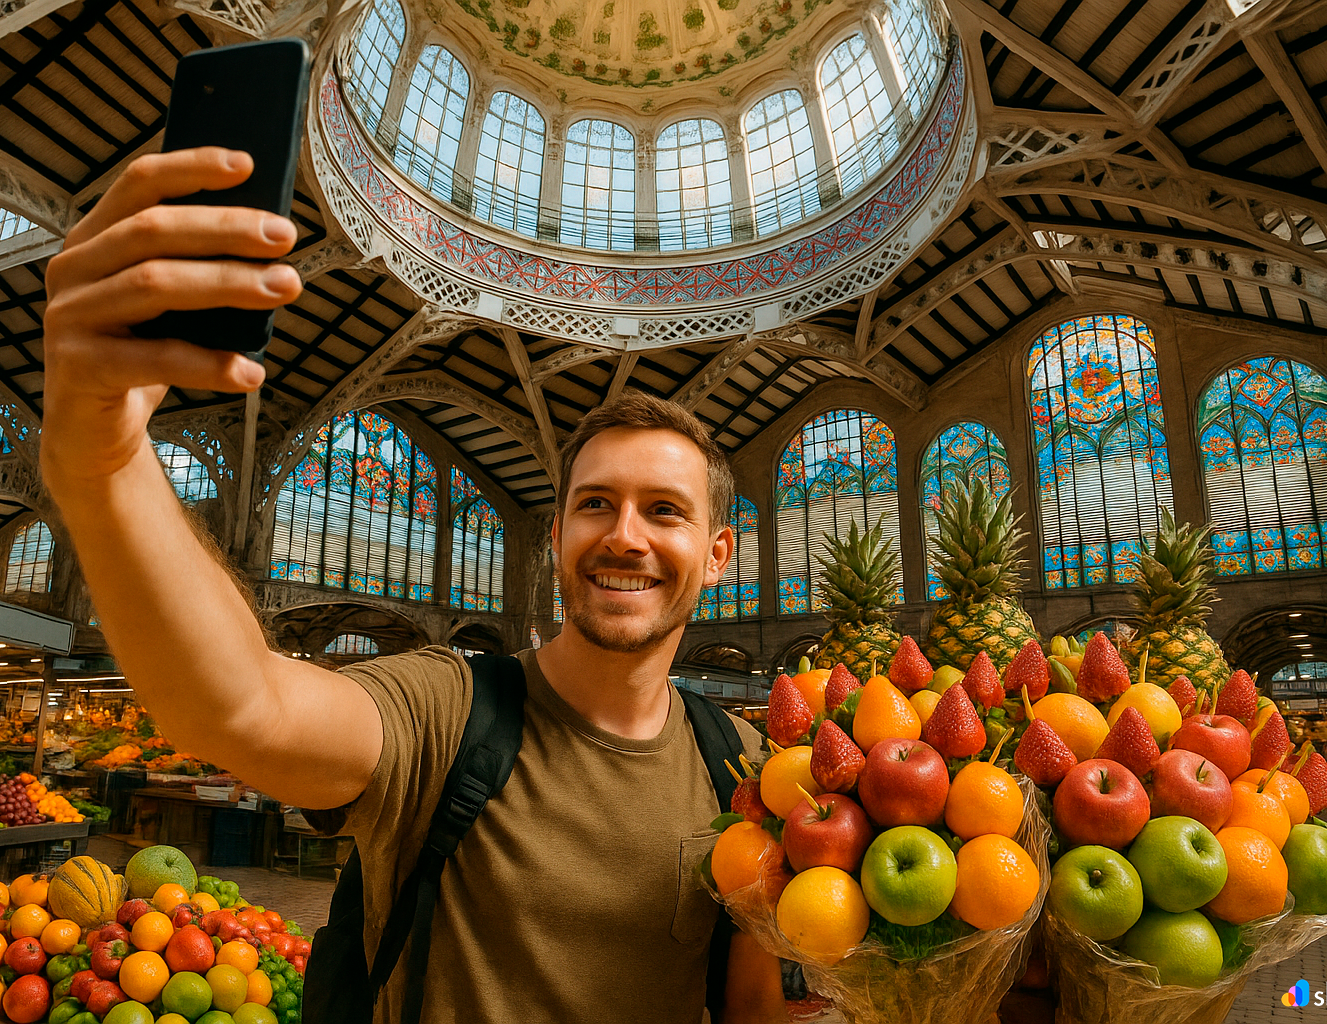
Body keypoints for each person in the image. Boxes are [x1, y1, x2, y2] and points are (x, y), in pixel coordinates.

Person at [41, 147, 788, 1023]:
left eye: (665, 510)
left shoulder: (745, 764)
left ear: (718, 554)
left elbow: (751, 1002)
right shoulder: (449, 709)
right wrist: (105, 461)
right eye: (595, 504)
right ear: (554, 540)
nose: (625, 535)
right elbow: (246, 708)